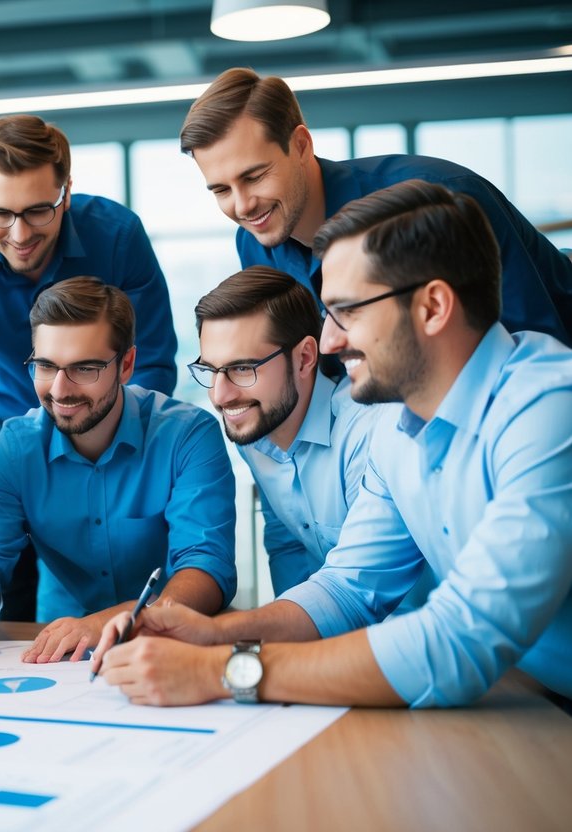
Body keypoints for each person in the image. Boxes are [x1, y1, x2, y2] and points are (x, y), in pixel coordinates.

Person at [92, 180, 572, 709]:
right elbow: (349, 589)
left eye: (349, 312)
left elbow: (458, 639)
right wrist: (213, 635)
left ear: (433, 306)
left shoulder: (550, 408)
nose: (329, 342)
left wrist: (221, 670)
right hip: (531, 700)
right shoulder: (397, 423)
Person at [0, 114, 179, 619]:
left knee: (123, 561)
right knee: (8, 576)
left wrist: (115, 440)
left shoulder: (118, 236)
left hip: (112, 430)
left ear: (67, 192)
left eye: (38, 211)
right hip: (13, 434)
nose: (19, 234)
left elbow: (154, 362)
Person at [0, 277, 236, 663]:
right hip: (60, 652)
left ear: (126, 365)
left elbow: (205, 568)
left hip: (175, 646)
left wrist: (113, 620)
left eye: (84, 369)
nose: (60, 389)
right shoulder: (16, 447)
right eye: (45, 366)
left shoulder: (188, 435)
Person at [180, 67, 572, 346]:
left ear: (301, 145)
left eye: (254, 176)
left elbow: (538, 350)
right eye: (221, 190)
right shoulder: (255, 245)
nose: (243, 205)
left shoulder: (441, 200)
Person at [190, 266, 390, 595]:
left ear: (304, 358)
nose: (218, 396)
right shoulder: (255, 433)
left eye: (242, 368)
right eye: (210, 370)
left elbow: (369, 589)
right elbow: (288, 544)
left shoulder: (365, 435)